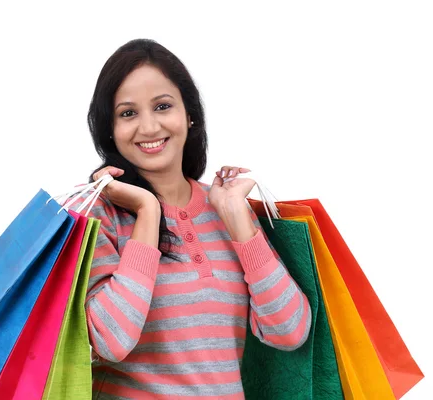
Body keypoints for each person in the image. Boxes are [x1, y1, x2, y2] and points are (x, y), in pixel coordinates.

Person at [70, 38, 311, 399]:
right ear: (109, 128)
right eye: (128, 113)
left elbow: (289, 330)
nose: (149, 127)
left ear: (189, 113)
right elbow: (111, 341)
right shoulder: (98, 216)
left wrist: (236, 217)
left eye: (162, 106)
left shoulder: (227, 209)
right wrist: (148, 212)